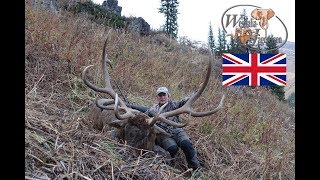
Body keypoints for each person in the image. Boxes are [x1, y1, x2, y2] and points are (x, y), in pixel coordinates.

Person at [145, 86, 201, 171]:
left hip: (177, 130)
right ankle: (170, 166)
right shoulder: (152, 109)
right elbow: (143, 118)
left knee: (186, 144)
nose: (162, 97)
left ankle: (195, 169)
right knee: (172, 148)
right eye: (160, 95)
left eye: (164, 95)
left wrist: (197, 90)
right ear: (157, 97)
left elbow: (187, 99)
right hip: (163, 134)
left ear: (168, 95)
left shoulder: (175, 104)